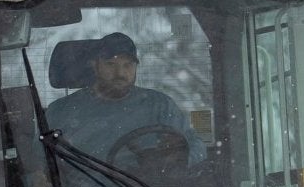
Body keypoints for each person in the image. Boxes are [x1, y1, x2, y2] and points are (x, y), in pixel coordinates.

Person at [47, 32, 204, 178]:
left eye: (127, 65)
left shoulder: (159, 105)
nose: (120, 74)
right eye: (110, 64)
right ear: (95, 66)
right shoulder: (61, 111)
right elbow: (40, 164)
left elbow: (195, 145)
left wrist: (172, 162)